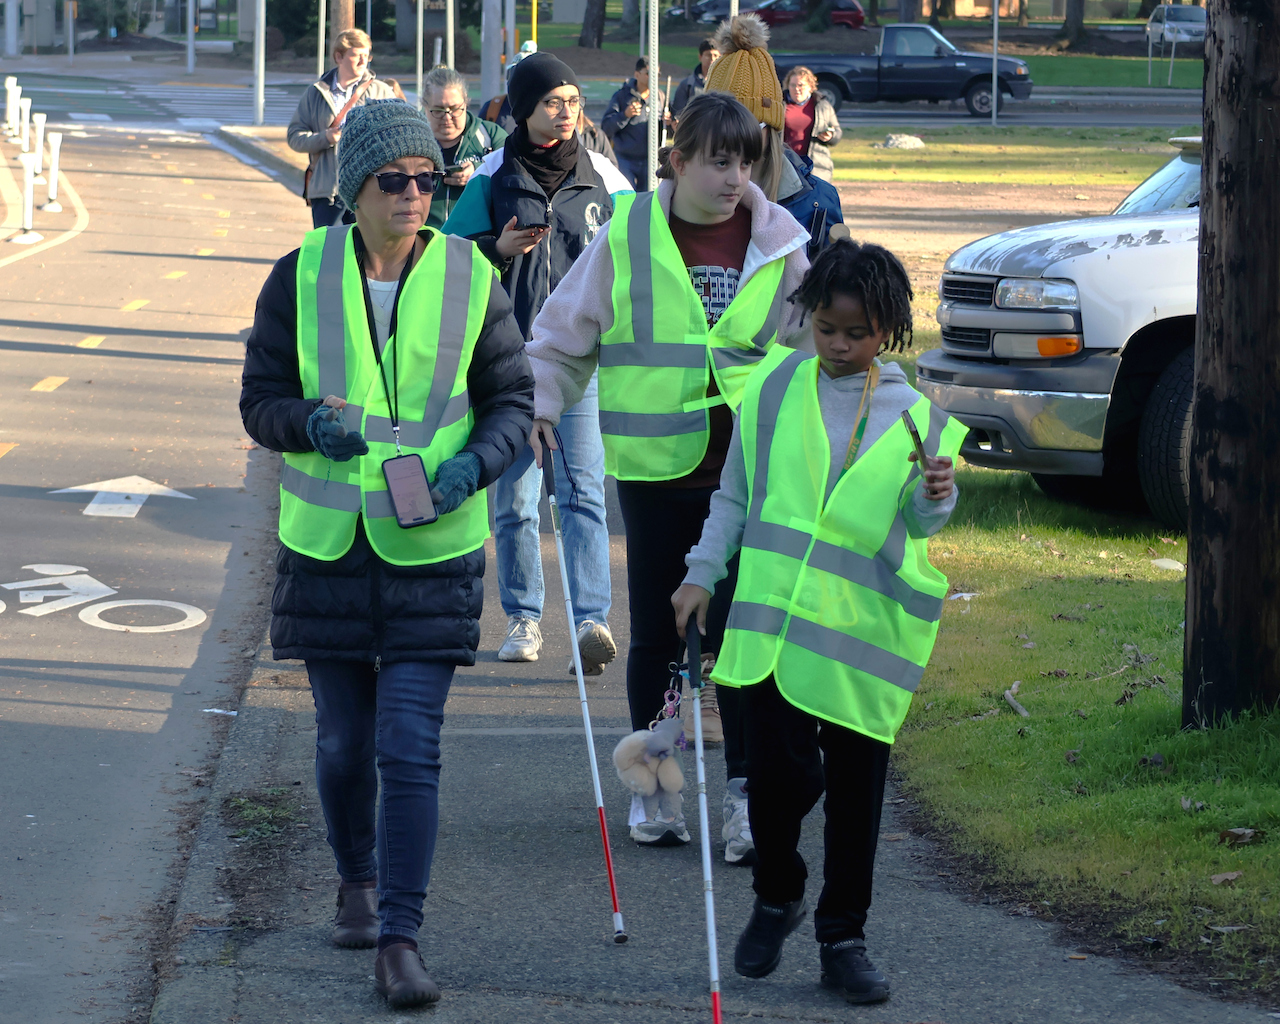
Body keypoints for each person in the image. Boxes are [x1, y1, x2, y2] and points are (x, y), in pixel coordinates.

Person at [239, 100, 534, 1010]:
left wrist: (469, 474)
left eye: (428, 179)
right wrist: (308, 427)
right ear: (354, 192)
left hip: (432, 549)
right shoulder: (299, 276)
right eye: (394, 181)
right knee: (343, 743)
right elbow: (259, 403)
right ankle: (354, 879)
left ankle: (400, 938)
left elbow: (514, 410)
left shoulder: (469, 277)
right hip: (327, 546)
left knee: (409, 748)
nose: (416, 196)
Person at [671, 239, 964, 1004]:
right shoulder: (770, 392)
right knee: (775, 777)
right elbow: (734, 495)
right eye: (827, 328)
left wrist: (936, 492)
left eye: (858, 333)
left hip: (862, 640)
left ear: (887, 332)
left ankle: (844, 937)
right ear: (807, 319)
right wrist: (701, 574)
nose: (839, 345)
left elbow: (923, 524)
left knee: (858, 792)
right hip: (771, 633)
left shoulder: (916, 420)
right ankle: (778, 895)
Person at [524, 93, 811, 853]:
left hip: (753, 476)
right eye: (718, 160)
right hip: (659, 472)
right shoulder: (628, 237)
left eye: (746, 161)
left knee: (746, 636)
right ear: (677, 161)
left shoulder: (781, 242)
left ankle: (747, 795)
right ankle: (654, 787)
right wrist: (541, 406)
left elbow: (816, 352)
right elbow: (560, 334)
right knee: (659, 633)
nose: (735, 177)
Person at [444, 53, 633, 671]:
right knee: (517, 499)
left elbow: (636, 258)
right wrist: (495, 249)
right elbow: (450, 262)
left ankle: (591, 622)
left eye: (575, 101)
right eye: (554, 101)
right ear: (524, 108)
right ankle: (524, 618)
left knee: (583, 491)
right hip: (507, 364)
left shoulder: (606, 176)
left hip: (579, 365)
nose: (567, 112)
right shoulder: (492, 175)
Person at [705, 15, 844, 259]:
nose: (733, 139)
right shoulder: (678, 201)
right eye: (719, 128)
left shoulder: (818, 202)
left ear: (771, 128)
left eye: (748, 125)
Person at [287, 28, 396, 229]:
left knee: (365, 256)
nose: (364, 61)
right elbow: (295, 137)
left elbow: (398, 135)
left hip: (369, 191)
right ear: (339, 56)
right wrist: (325, 138)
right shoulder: (316, 93)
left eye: (367, 55)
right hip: (328, 193)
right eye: (357, 55)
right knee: (330, 254)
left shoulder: (381, 91)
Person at [421, 66, 508, 230]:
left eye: (455, 109)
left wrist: (478, 173)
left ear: (466, 103)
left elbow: (513, 178)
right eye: (438, 110)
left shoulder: (490, 136)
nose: (447, 117)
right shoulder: (411, 140)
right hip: (424, 243)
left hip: (475, 243)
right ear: (424, 106)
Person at [601, 56, 667, 191]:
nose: (654, 78)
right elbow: (606, 127)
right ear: (637, 74)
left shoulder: (660, 97)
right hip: (625, 159)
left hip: (650, 160)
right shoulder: (622, 96)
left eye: (657, 74)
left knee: (647, 202)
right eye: (649, 74)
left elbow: (667, 131)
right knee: (626, 199)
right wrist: (625, 115)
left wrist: (669, 123)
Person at [782, 66, 842, 183]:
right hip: (786, 166)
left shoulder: (822, 105)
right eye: (793, 85)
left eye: (801, 85)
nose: (796, 89)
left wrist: (830, 136)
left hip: (816, 166)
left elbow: (837, 132)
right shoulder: (779, 105)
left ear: (810, 87)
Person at [671, 39, 721, 122]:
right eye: (708, 55)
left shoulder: (725, 83)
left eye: (715, 55)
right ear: (700, 57)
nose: (712, 59)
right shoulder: (687, 85)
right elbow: (678, 114)